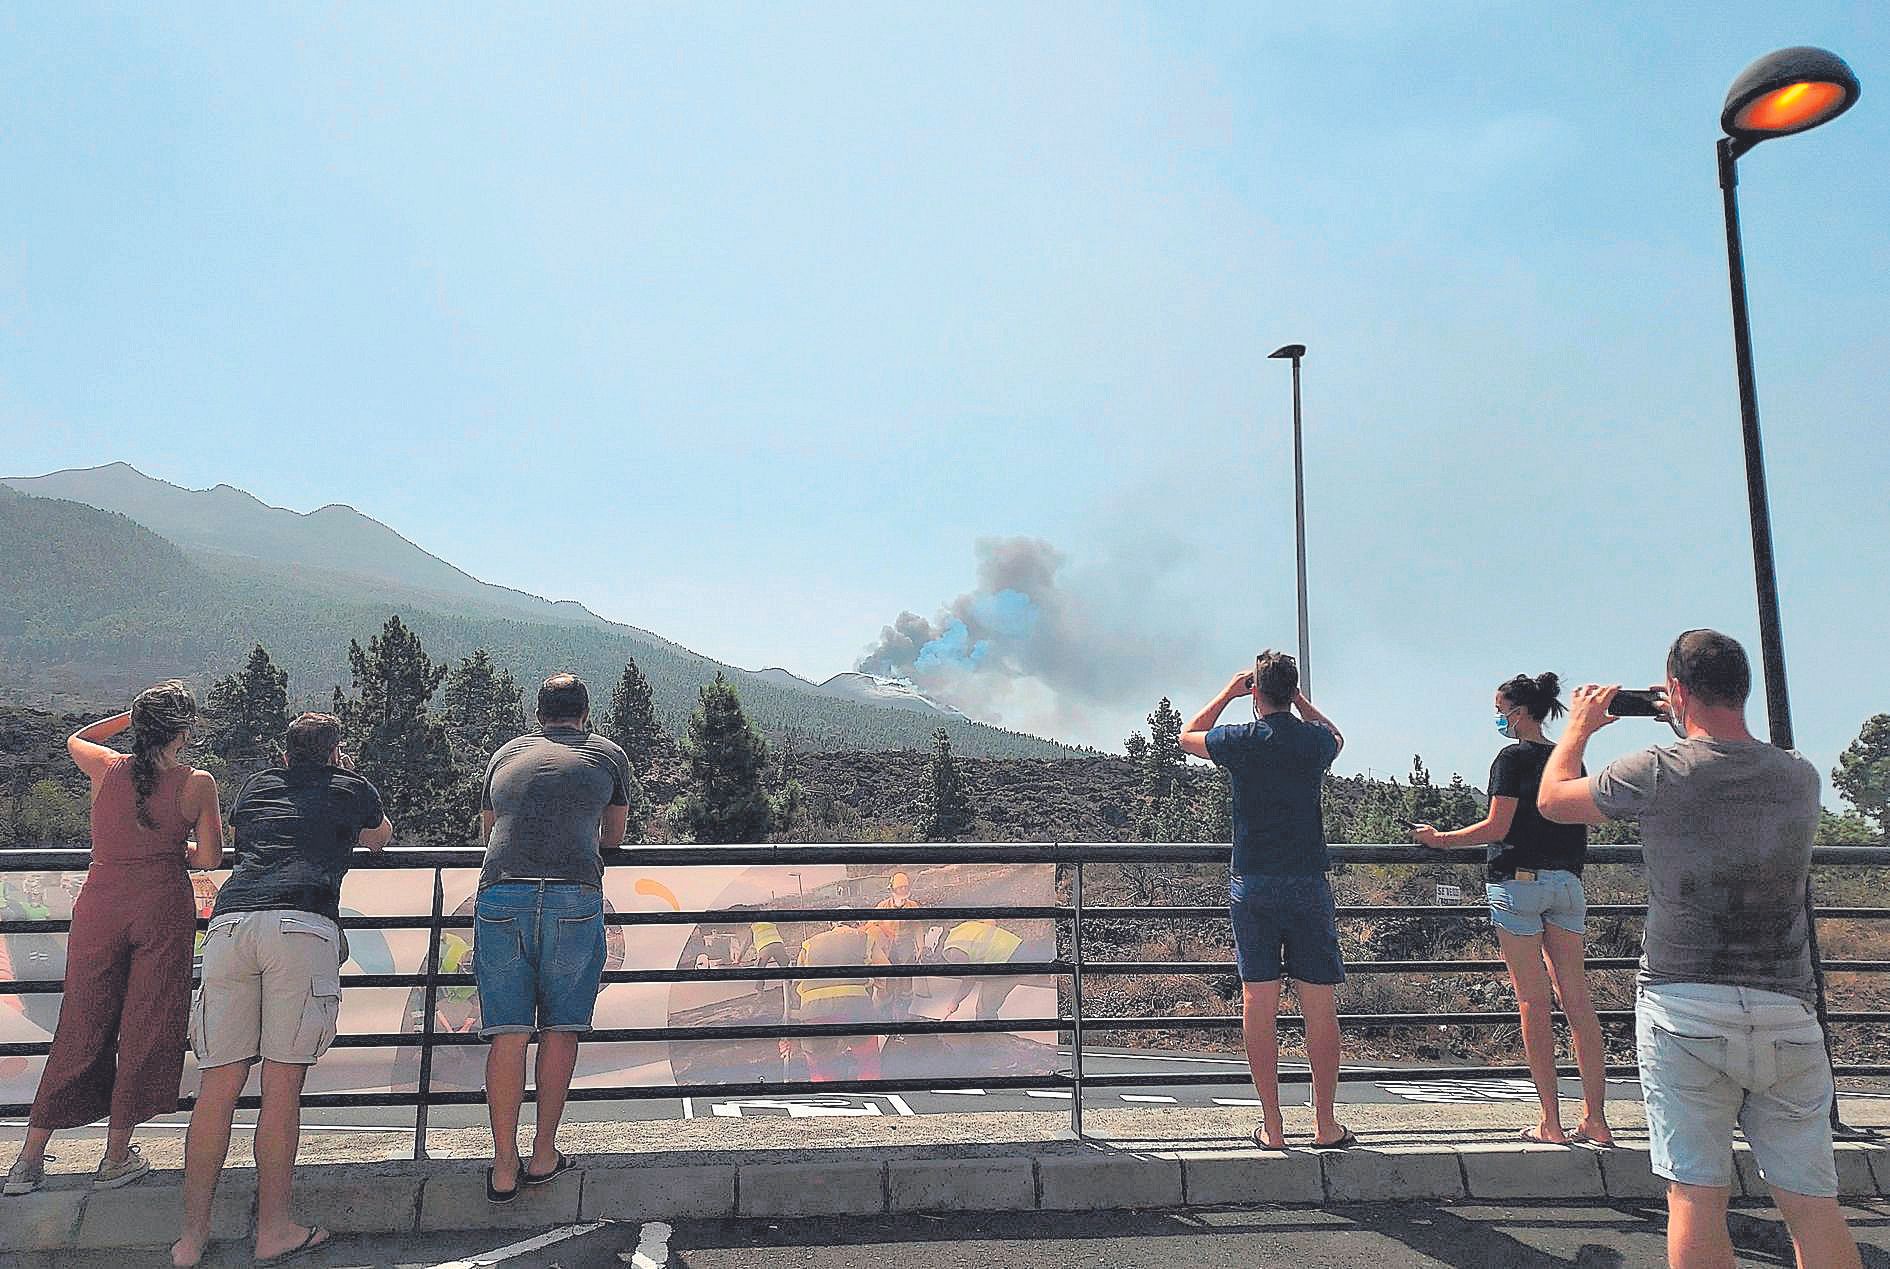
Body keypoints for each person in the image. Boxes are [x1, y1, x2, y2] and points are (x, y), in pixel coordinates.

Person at [1539, 630, 1862, 1269]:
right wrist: (1687, 714)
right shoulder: (1799, 777)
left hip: (1684, 1005)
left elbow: (1553, 801)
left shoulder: (1658, 769)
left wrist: (1578, 728)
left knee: (1695, 1197)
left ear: (1677, 692)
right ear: (1743, 691)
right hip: (1788, 1013)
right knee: (1812, 1205)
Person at [170, 713, 390, 1268]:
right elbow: (380, 838)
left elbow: (244, 838)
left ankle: (190, 1241)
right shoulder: (350, 787)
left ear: (285, 753)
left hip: (231, 922)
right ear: (336, 751)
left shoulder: (259, 786)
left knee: (217, 1085)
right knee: (281, 1086)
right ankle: (274, 1230)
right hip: (301, 923)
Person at [4, 684, 221, 1198]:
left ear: (141, 727)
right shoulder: (197, 783)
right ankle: (115, 1154)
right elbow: (209, 859)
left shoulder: (105, 767)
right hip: (161, 906)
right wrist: (173, 844)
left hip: (100, 904)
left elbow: (76, 736)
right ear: (183, 733)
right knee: (148, 1022)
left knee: (81, 1021)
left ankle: (29, 1160)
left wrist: (130, 718)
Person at [1411, 673, 1613, 1147]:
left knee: (1533, 1001)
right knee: (1578, 1002)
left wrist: (1440, 840)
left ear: (1518, 713)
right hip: (1567, 884)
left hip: (1518, 884)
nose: (1497, 717)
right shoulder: (1569, 759)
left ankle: (1551, 1121)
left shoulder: (1512, 758)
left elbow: (1497, 824)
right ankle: (1596, 1119)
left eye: (1500, 708)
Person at [1179, 651, 1352, 1152]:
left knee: (1259, 1001)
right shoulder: (1313, 741)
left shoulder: (1241, 740)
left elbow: (1186, 735)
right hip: (1307, 881)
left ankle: (1272, 1126)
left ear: (1255, 691)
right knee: (1319, 1003)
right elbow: (1337, 737)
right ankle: (1324, 1123)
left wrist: (1228, 693)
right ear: (1292, 690)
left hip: (1252, 881)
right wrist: (1300, 701)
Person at [476, 674, 631, 1204]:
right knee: (561, 1027)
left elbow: (487, 830)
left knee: (508, 1032)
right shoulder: (607, 756)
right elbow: (612, 837)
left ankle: (502, 1165)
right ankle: (543, 1154)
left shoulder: (504, 755)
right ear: (585, 714)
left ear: (538, 713)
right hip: (571, 893)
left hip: (501, 893)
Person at [786, 919, 882, 1083]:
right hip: (855, 1008)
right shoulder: (863, 937)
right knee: (868, 1060)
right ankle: (870, 1088)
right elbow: (886, 972)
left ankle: (825, 1095)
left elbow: (795, 985)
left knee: (819, 1065)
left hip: (813, 1011)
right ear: (855, 924)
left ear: (831, 925)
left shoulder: (809, 943)